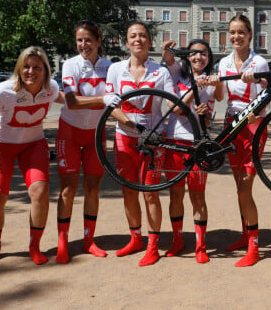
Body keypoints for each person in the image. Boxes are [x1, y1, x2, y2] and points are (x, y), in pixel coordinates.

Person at [0, 46, 64, 265]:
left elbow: (71, 101)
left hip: (33, 145)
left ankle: (34, 246)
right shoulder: (3, 90)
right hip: (0, 145)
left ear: (45, 69)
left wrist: (104, 101)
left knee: (40, 191)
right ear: (19, 68)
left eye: (36, 67)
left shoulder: (51, 88)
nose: (30, 71)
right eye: (26, 66)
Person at [104, 21, 176, 267]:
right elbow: (110, 105)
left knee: (151, 193)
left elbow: (172, 104)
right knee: (129, 191)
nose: (138, 40)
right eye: (133, 36)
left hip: (153, 141)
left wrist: (192, 99)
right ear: (127, 42)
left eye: (143, 36)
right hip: (124, 138)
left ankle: (153, 245)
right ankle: (135, 238)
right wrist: (132, 126)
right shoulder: (115, 69)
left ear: (149, 41)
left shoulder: (161, 71)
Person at [160, 38, 224, 263]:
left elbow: (215, 105)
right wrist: (195, 87)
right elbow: (176, 108)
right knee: (176, 194)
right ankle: (177, 239)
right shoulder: (177, 75)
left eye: (204, 53)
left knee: (198, 196)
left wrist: (205, 111)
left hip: (199, 145)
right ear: (187, 56)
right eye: (194, 53)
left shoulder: (211, 79)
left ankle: (200, 244)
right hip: (175, 142)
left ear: (209, 57)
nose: (199, 57)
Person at [55, 20, 112, 263]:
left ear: (98, 41)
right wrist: (105, 98)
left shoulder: (110, 67)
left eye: (88, 39)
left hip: (95, 134)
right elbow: (72, 101)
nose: (83, 44)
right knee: (68, 189)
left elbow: (119, 101)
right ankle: (62, 242)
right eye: (79, 40)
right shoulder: (70, 64)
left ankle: (89, 240)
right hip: (70, 131)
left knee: (92, 188)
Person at [218, 14, 269, 267]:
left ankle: (254, 247)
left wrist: (256, 112)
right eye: (232, 32)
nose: (236, 36)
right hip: (231, 125)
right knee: (238, 182)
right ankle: (245, 235)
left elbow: (269, 92)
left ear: (250, 35)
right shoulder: (224, 62)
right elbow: (220, 96)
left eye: (241, 32)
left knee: (244, 188)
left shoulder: (259, 61)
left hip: (253, 125)